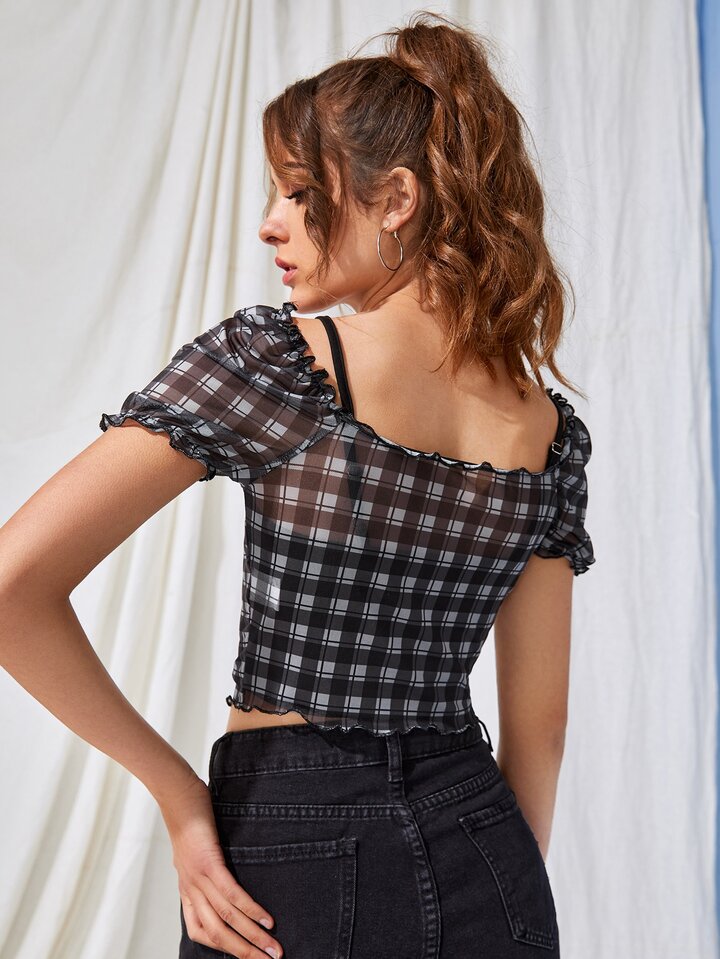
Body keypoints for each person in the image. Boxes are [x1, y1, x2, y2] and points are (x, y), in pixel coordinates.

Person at [0, 10, 596, 959]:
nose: (270, 222)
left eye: (296, 190)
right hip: (487, 846)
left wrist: (181, 797)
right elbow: (544, 727)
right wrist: (506, 883)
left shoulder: (278, 365)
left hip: (291, 850)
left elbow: (10, 585)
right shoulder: (547, 434)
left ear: (395, 199)